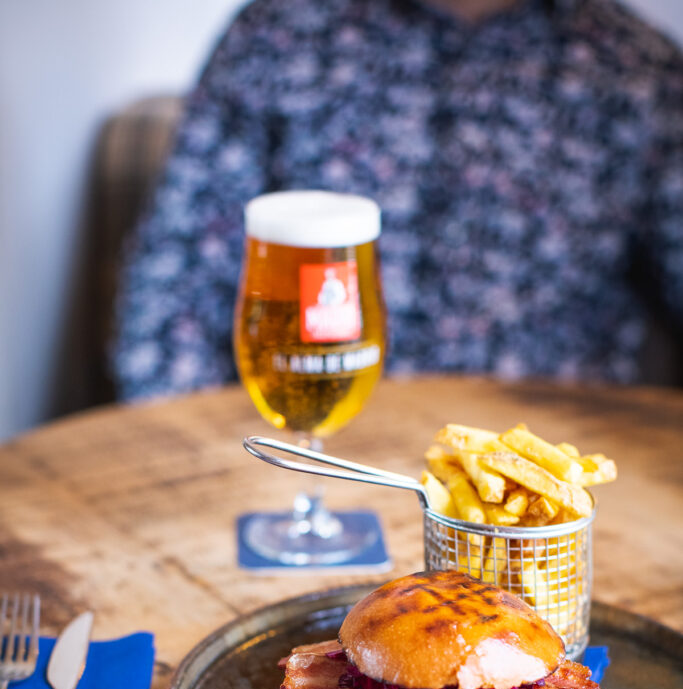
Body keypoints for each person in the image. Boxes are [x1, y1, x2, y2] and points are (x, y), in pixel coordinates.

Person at [111, 0, 683, 399]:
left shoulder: (636, 71)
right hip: (313, 454)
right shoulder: (278, 36)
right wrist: (214, 462)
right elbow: (170, 297)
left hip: (551, 476)